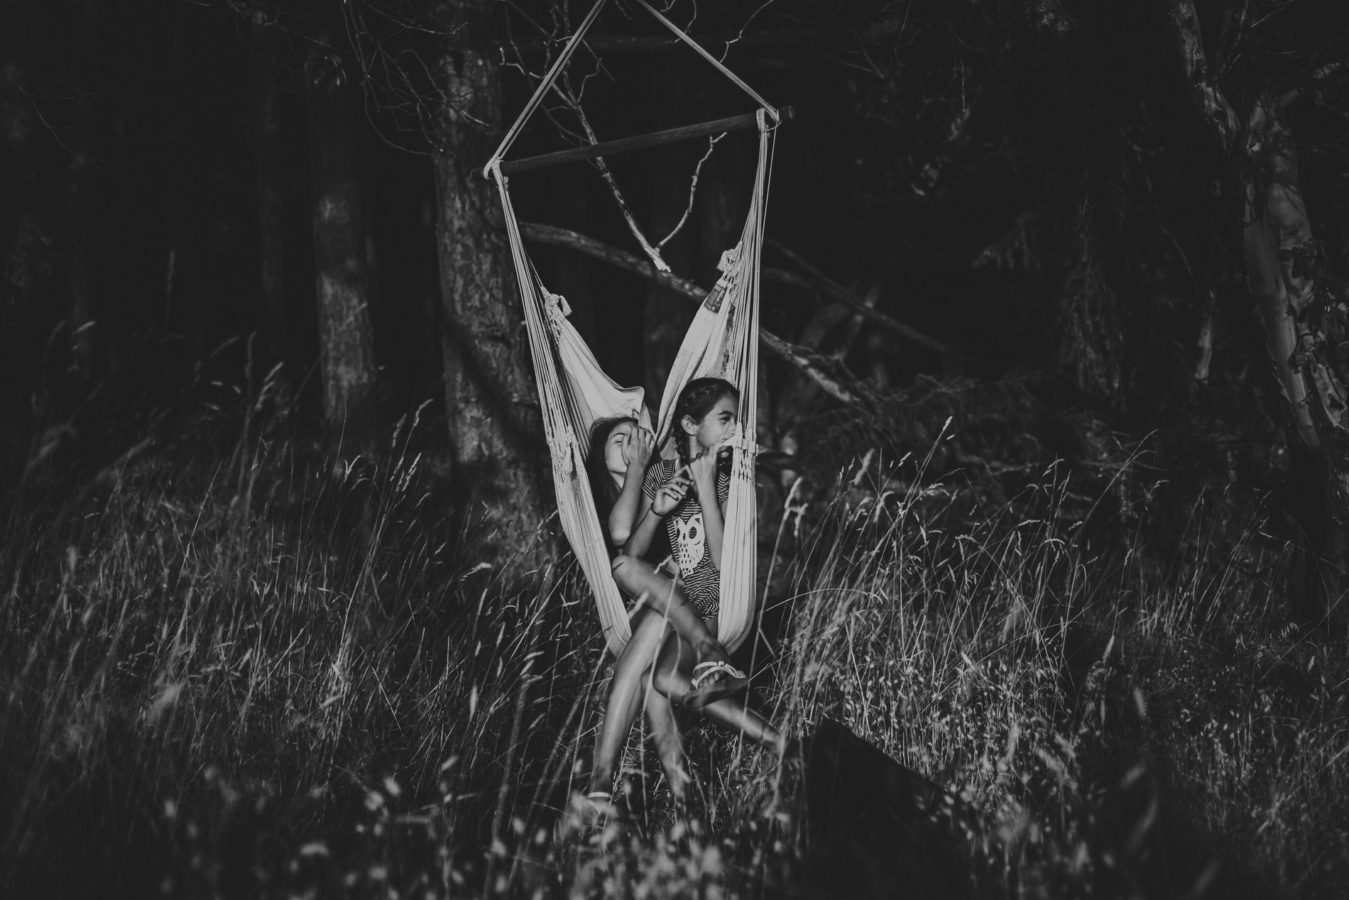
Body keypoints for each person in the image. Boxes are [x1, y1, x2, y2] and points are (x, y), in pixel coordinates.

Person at [569, 380, 782, 829]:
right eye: (619, 439)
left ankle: (602, 789)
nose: (631, 443)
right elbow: (626, 533)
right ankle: (698, 799)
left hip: (697, 599)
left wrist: (703, 486)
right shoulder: (656, 479)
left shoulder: (724, 481)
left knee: (627, 575)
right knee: (657, 680)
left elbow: (723, 567)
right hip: (667, 601)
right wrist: (656, 496)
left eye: (634, 435)